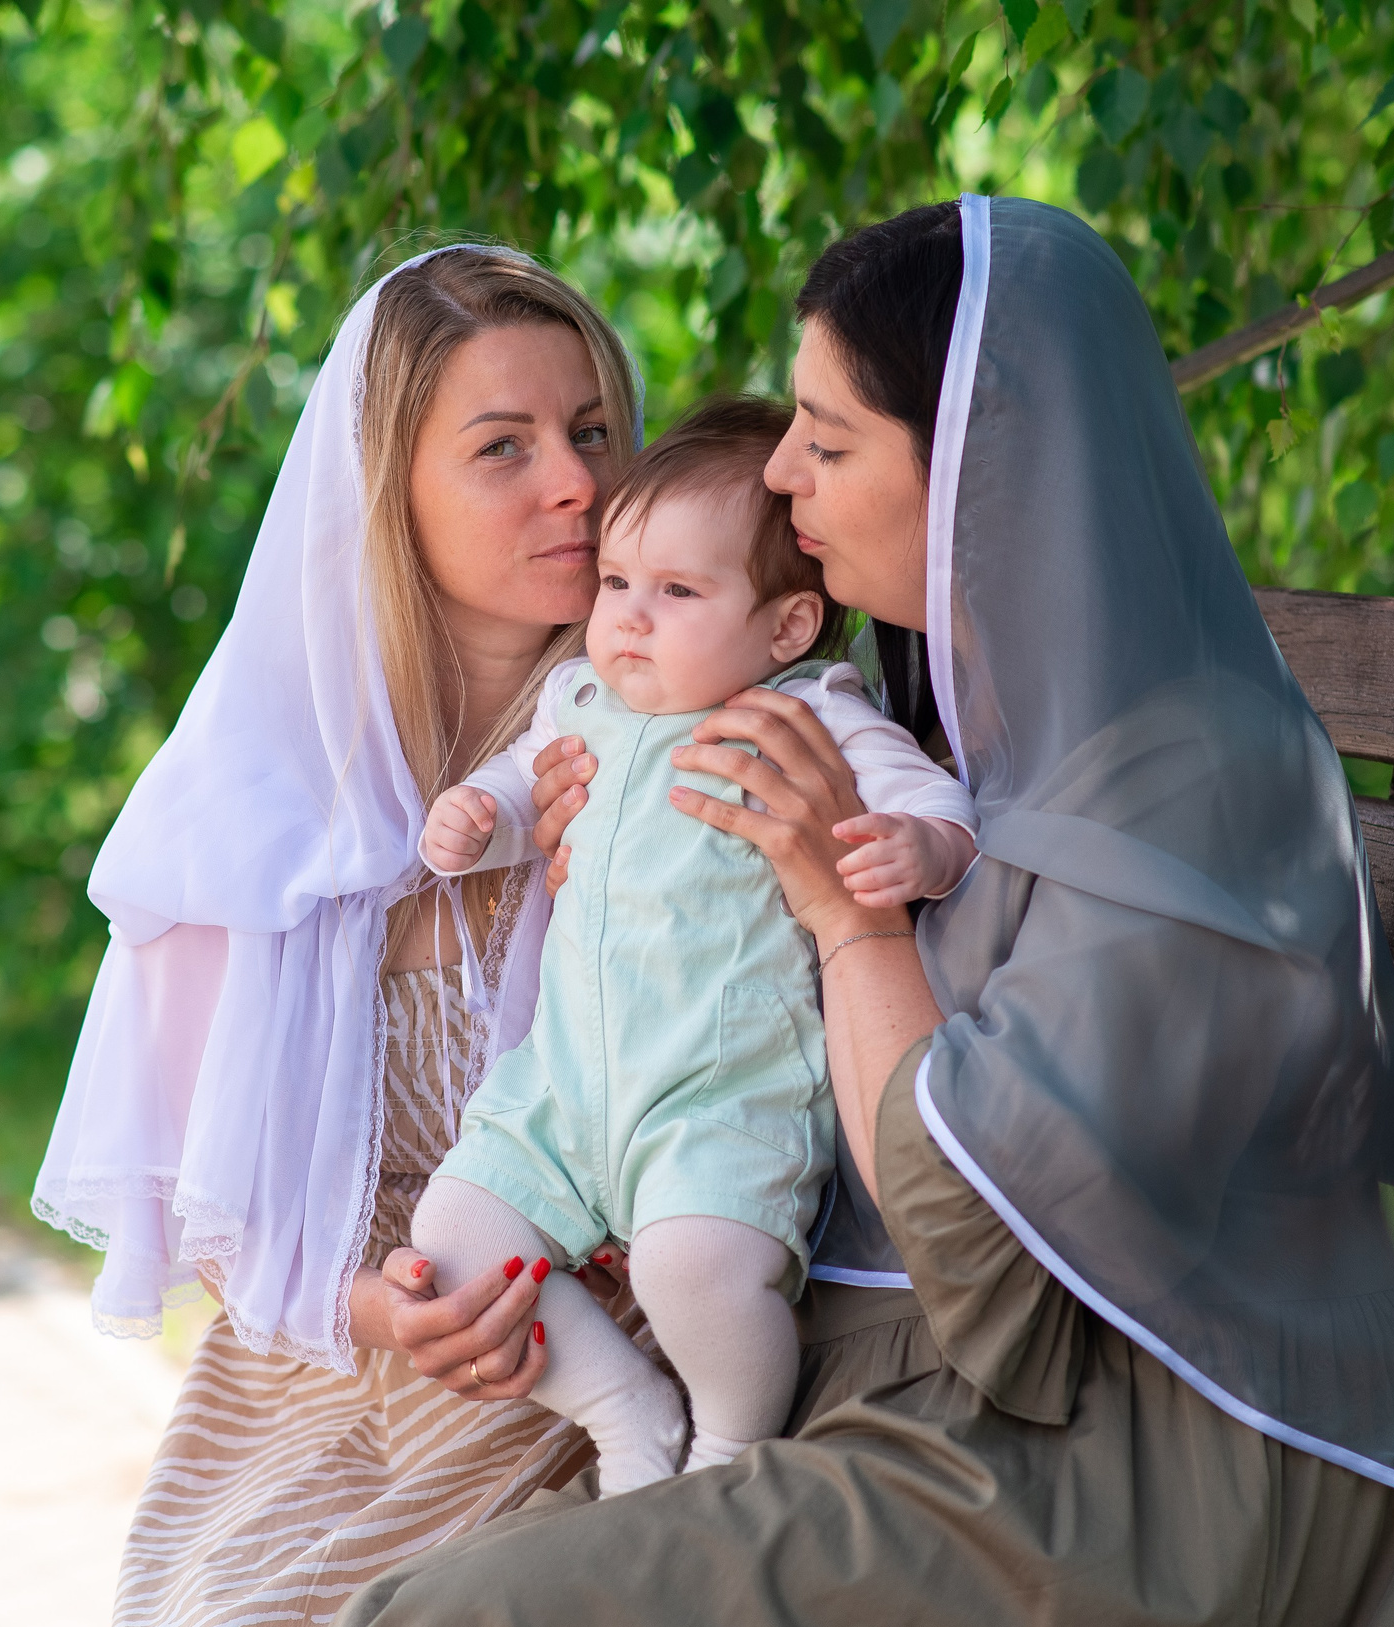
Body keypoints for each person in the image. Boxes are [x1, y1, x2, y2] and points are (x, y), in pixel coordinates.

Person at [310, 196, 1394, 1627]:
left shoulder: (1187, 771)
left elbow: (1001, 1294)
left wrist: (846, 912)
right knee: (444, 1600)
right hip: (939, 1388)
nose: (782, 472)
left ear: (977, 471)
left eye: (828, 434)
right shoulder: (971, 722)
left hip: (1172, 1487)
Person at [30, 244, 648, 1627]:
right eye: (503, 447)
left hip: (614, 1396)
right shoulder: (257, 809)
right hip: (324, 1397)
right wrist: (384, 1310)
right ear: (390, 490)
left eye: (593, 432)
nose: (573, 481)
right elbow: (213, 1195)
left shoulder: (662, 741)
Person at [409, 398, 979, 1494]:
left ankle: (725, 1443)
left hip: (720, 1097)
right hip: (564, 1088)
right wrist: (478, 817)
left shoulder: (807, 711)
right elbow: (528, 791)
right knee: (455, 1236)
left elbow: (935, 799)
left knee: (697, 1267)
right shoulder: (580, 696)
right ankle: (625, 1406)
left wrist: (921, 846)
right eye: (616, 582)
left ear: (784, 627)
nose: (628, 616)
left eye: (676, 591)